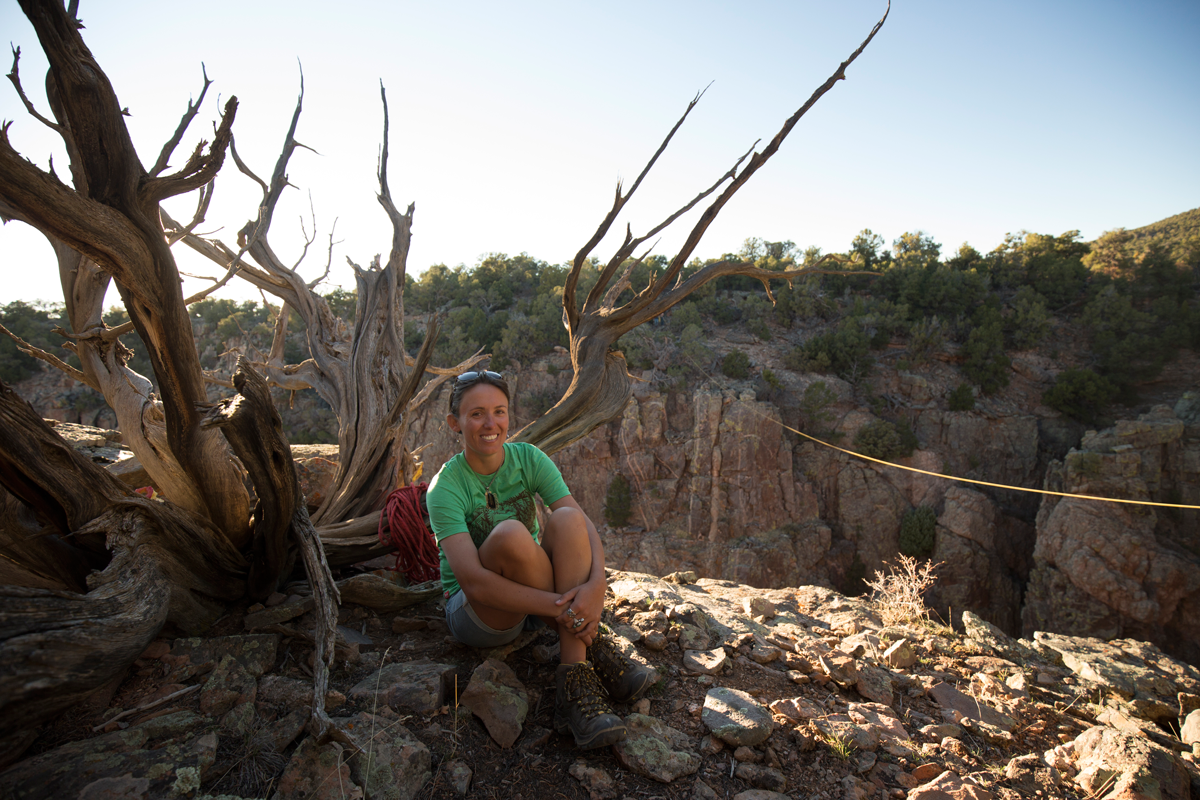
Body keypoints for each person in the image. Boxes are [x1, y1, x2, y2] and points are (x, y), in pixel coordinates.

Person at [426, 370, 656, 749]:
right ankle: (591, 641)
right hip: (478, 612)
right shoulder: (446, 487)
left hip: (535, 599)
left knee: (566, 518)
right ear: (455, 423)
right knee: (511, 534)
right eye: (477, 413)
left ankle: (574, 686)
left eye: (499, 411)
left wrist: (597, 584)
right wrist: (565, 608)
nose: (490, 423)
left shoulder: (528, 459)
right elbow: (473, 581)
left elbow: (581, 523)